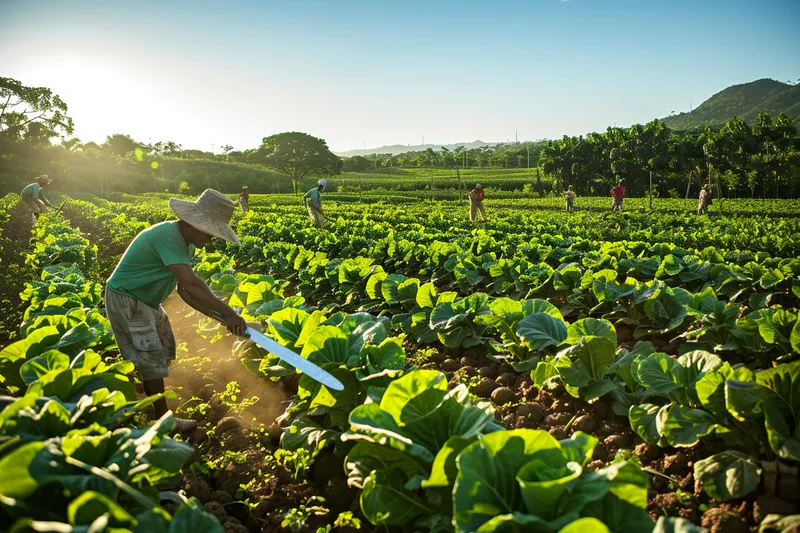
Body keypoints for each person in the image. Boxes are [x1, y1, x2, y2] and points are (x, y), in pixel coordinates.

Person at [105, 189, 247, 433]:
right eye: (211, 233)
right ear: (194, 224)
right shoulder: (167, 236)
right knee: (151, 357)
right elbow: (192, 283)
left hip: (147, 301)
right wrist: (230, 312)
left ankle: (146, 396)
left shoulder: (185, 243)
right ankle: (163, 422)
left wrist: (221, 317)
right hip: (128, 299)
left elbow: (184, 291)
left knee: (162, 348)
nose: (212, 240)